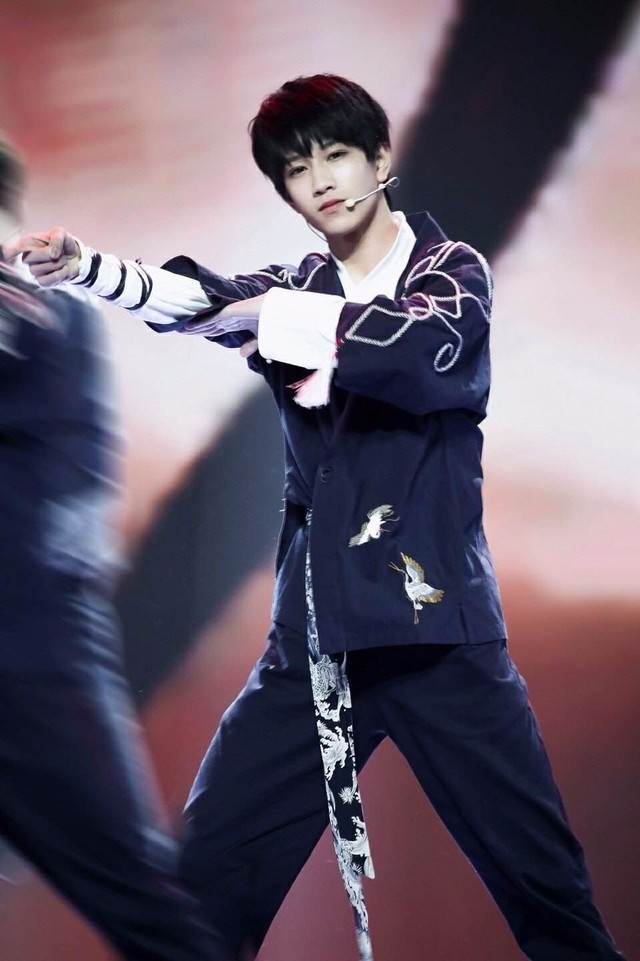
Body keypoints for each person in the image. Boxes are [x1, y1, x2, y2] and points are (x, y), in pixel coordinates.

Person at [11, 75, 626, 961]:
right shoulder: (291, 287)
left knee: (548, 895)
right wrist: (85, 268)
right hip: (314, 649)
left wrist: (277, 317)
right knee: (205, 888)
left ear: (380, 158)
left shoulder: (451, 274)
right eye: (297, 169)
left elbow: (419, 353)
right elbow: (201, 302)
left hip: (439, 641)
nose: (322, 180)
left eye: (336, 154)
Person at [0, 140, 230, 961]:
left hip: (29, 666)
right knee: (142, 902)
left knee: (146, 909)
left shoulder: (28, 301)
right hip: (38, 654)